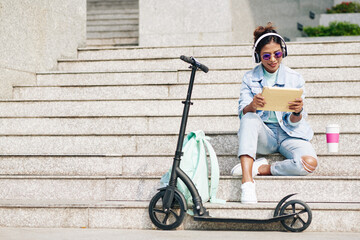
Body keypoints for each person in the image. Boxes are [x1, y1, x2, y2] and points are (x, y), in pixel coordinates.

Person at [231, 23, 318, 204]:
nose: (273, 59)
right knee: (249, 118)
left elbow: (295, 122)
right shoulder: (249, 78)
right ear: (258, 57)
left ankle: (262, 168)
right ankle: (247, 182)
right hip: (265, 136)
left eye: (277, 54)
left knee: (309, 163)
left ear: (283, 53)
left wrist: (297, 112)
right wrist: (252, 105)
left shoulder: (295, 78)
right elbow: (243, 113)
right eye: (266, 55)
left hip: (290, 134)